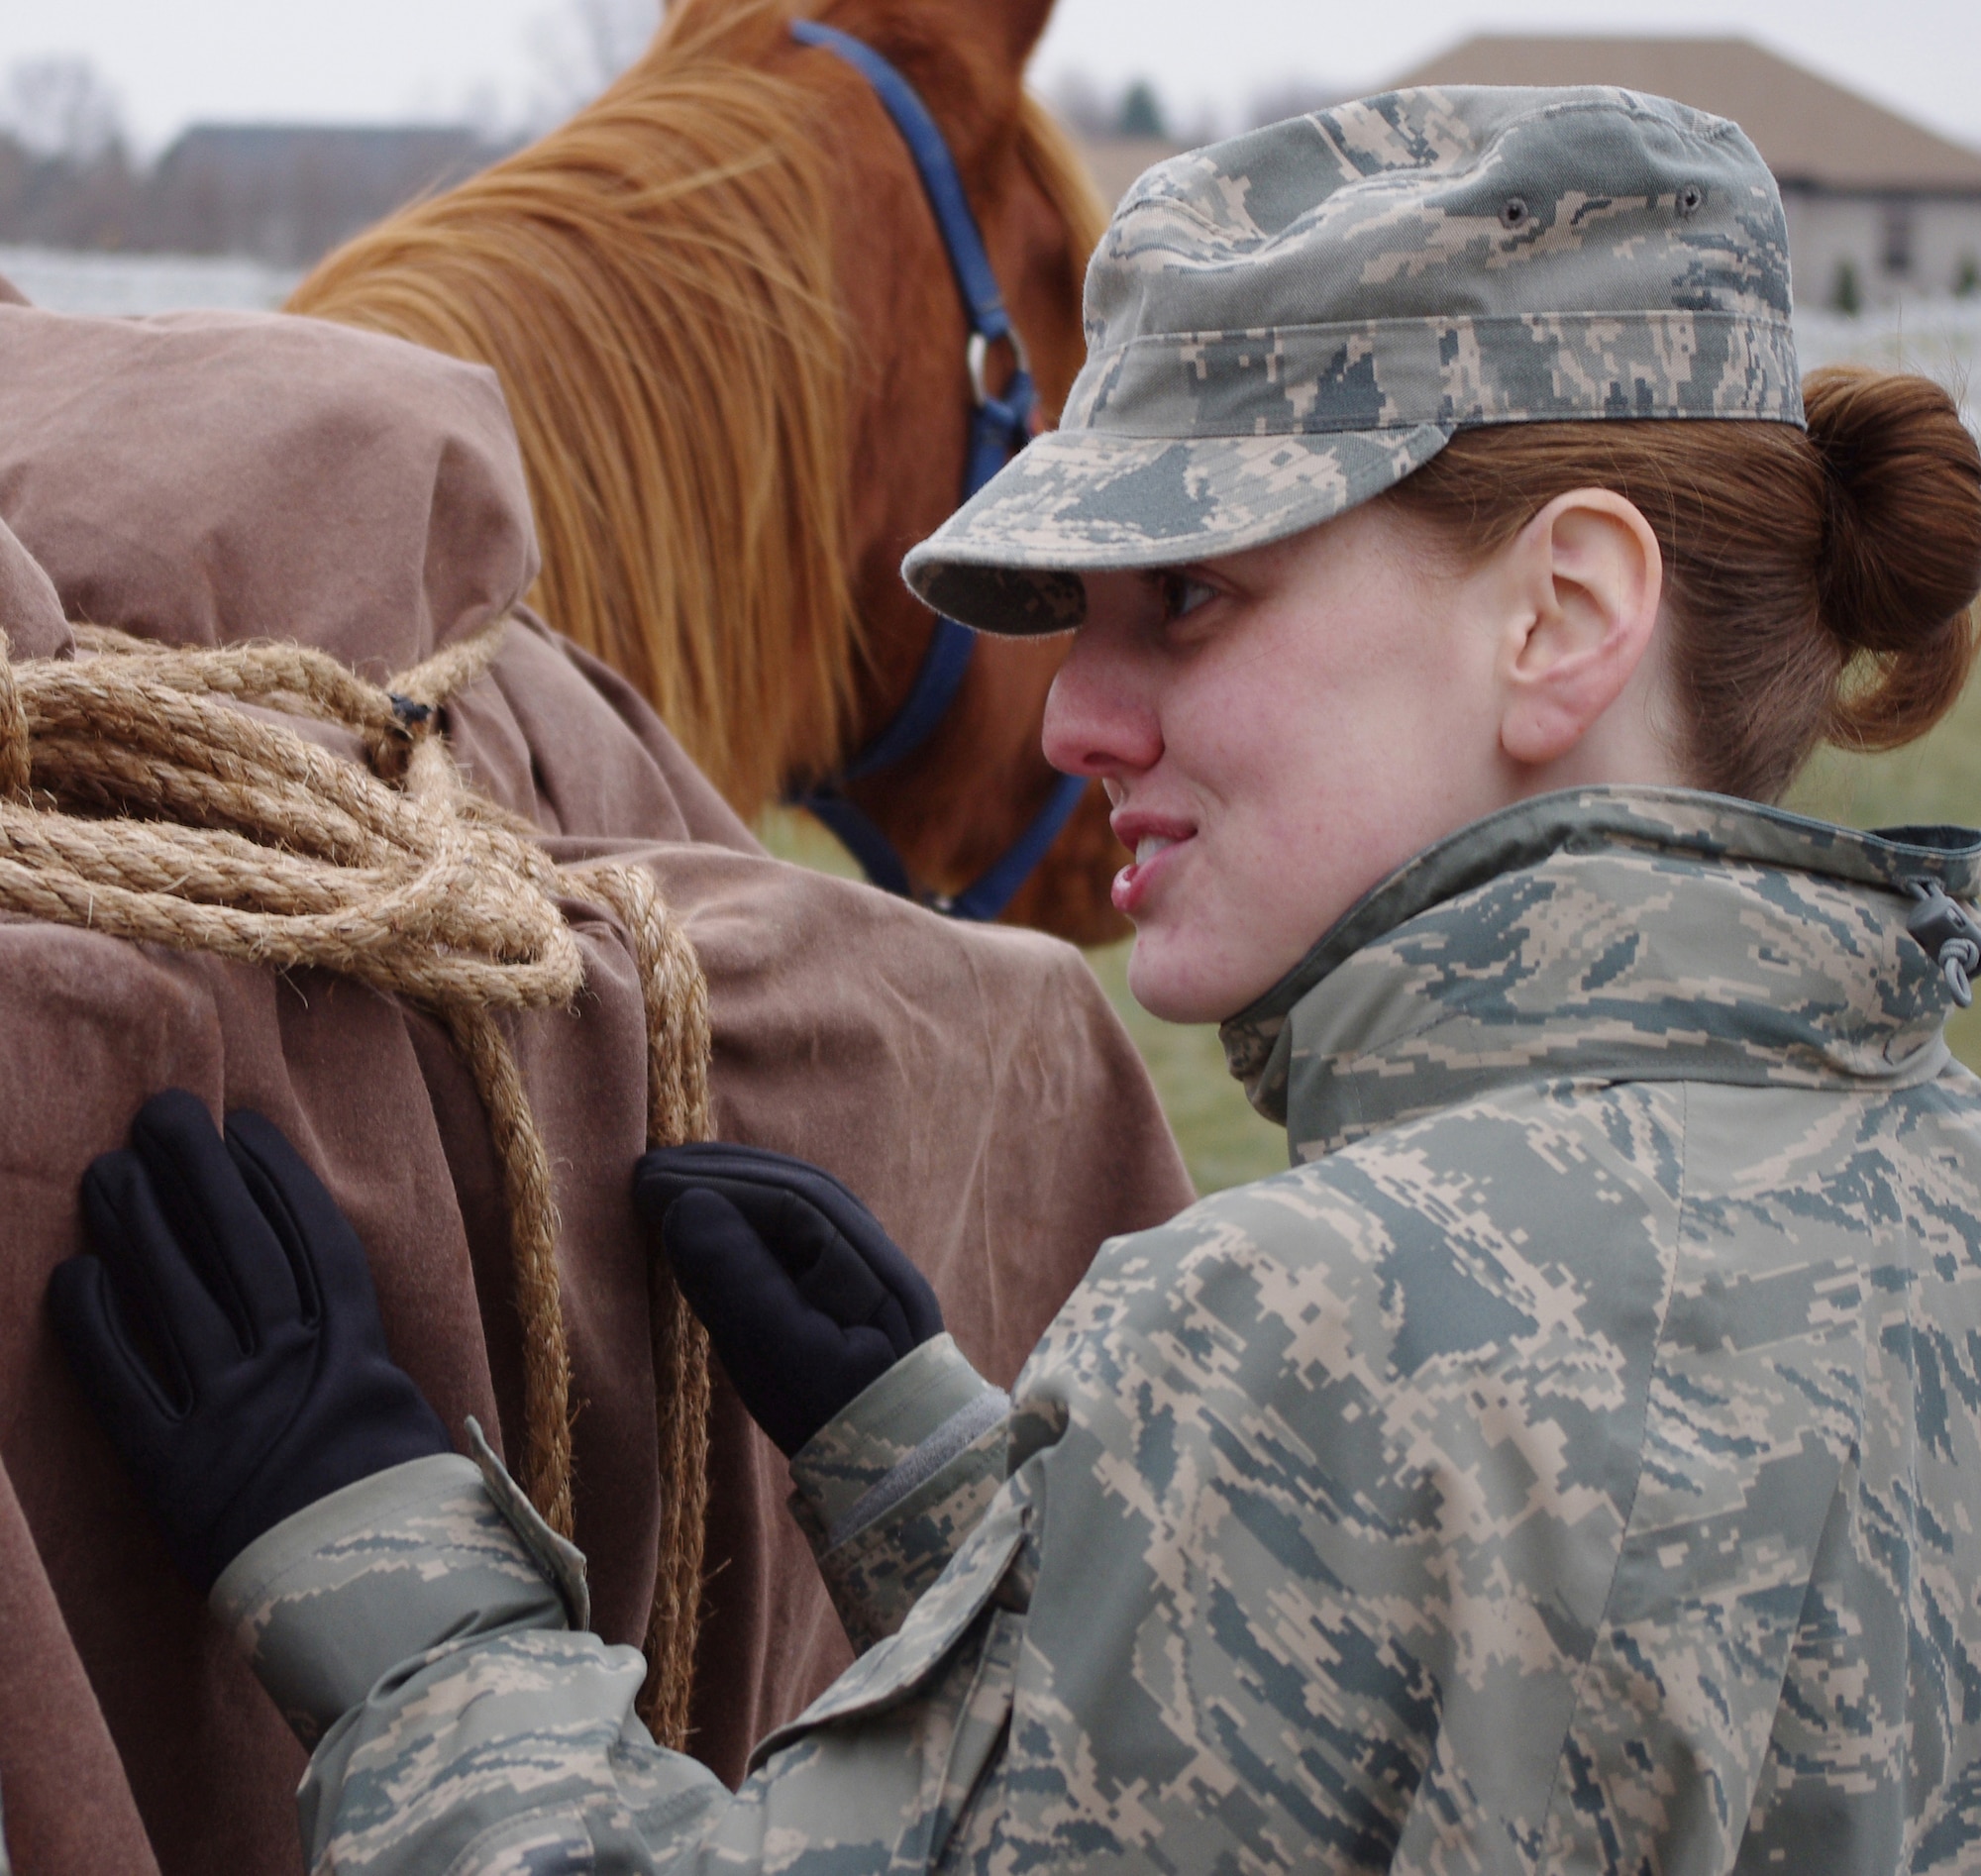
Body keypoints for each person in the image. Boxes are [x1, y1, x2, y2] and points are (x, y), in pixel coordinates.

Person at [49, 84, 1981, 1873]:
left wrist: (392, 1594)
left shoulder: (1305, 1330)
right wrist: (960, 1488)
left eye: (1191, 599)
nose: (1072, 720)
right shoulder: (1929, 1184)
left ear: (1562, 616)